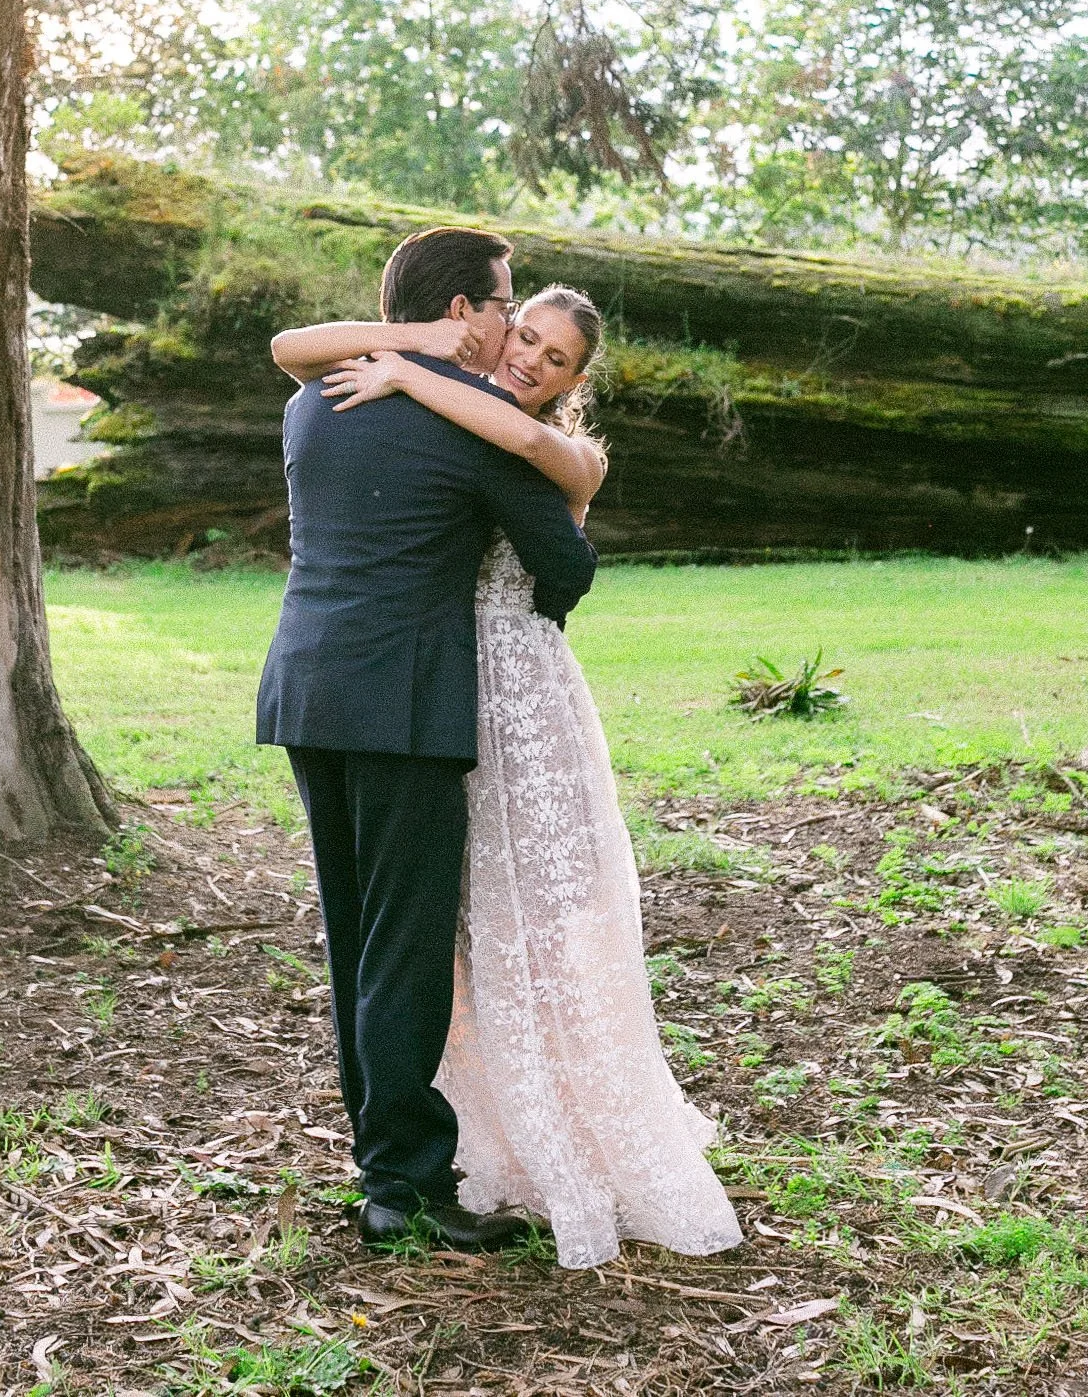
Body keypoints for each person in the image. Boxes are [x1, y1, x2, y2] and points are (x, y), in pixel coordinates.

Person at [315, 286, 743, 1269]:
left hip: (519, 692)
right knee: (454, 925)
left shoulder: (562, 451)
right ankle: (476, 1126)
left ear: (573, 381)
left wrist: (407, 370)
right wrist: (409, 364)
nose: (531, 362)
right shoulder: (452, 408)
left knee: (542, 922)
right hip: (436, 692)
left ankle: (575, 1121)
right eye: (527, 338)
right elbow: (300, 354)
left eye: (555, 360)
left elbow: (517, 447)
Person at [258, 227, 598, 1254]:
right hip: (404, 707)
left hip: (306, 688)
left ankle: (378, 1160)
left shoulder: (311, 403)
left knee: (354, 933)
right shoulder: (475, 422)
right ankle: (402, 1184)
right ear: (462, 310)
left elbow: (297, 356)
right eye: (499, 305)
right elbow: (562, 570)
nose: (506, 327)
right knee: (403, 950)